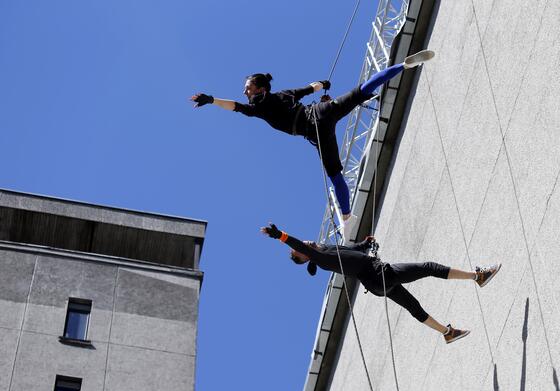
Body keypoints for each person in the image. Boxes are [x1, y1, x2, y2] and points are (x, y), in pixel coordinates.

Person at [191, 50, 436, 231]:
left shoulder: (260, 105)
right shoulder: (282, 94)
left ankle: (348, 217)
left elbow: (235, 107)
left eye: (248, 88)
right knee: (359, 93)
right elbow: (309, 88)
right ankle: (403, 66)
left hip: (315, 126)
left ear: (261, 89)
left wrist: (212, 100)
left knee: (335, 174)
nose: (246, 92)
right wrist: (322, 85)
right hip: (321, 120)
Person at [260, 223, 501, 344]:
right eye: (300, 248)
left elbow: (352, 250)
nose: (306, 242)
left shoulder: (329, 249)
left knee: (413, 306)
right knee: (428, 268)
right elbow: (300, 246)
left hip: (376, 282)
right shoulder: (320, 258)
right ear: (303, 257)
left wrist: (365, 244)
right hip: (378, 275)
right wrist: (279, 235)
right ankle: (477, 276)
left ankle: (447, 333)